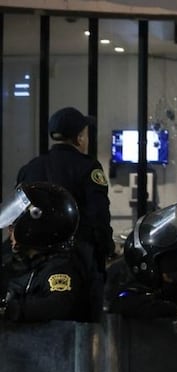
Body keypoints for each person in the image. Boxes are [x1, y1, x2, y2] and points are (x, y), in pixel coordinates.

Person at [17, 106, 113, 316]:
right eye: (85, 134)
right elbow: (99, 215)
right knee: (84, 319)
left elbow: (20, 214)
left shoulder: (31, 168)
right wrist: (106, 249)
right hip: (79, 258)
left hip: (36, 262)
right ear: (79, 138)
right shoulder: (88, 167)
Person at [0, 182, 91, 323]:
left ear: (35, 227)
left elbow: (57, 305)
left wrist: (11, 310)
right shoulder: (23, 263)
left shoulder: (60, 268)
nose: (9, 231)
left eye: (14, 225)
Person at [109, 199, 177, 327]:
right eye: (173, 278)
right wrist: (175, 311)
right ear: (148, 269)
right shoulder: (129, 298)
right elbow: (125, 305)